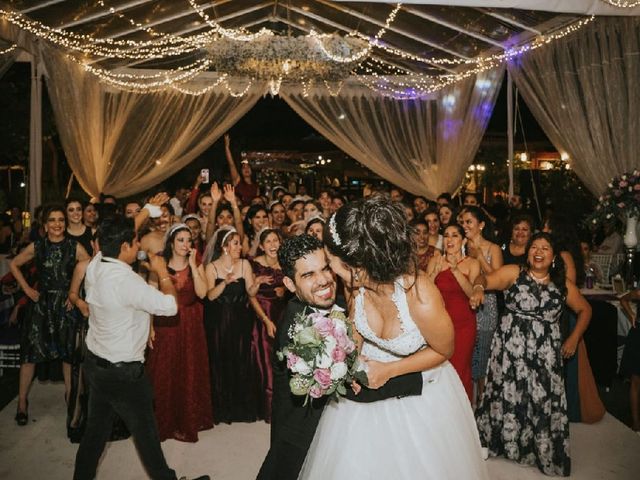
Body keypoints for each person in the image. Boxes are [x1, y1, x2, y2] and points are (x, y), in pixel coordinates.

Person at [299, 197, 488, 479]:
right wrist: (346, 357)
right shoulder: (355, 285)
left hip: (422, 390)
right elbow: (357, 328)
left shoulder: (420, 294)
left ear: (357, 264)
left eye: (331, 261)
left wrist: (389, 370)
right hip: (369, 380)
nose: (329, 270)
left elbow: (445, 350)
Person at [257, 234, 423, 480]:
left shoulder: (341, 302)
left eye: (324, 269)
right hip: (303, 436)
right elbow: (350, 385)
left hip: (335, 426)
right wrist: (415, 377)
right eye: (308, 275)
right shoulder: (298, 331)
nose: (323, 279)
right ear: (290, 285)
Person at [72, 215, 209, 480]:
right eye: (135, 242)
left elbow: (112, 238)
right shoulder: (128, 282)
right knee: (147, 435)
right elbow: (170, 307)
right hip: (124, 375)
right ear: (124, 247)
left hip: (97, 367)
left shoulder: (96, 265)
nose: (139, 246)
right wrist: (161, 272)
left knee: (95, 434)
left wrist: (145, 211)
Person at [470, 232, 592, 476]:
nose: (538, 251)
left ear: (554, 256)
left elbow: (585, 310)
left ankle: (539, 450)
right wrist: (478, 289)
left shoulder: (562, 284)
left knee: (540, 399)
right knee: (505, 392)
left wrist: (574, 338)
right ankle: (501, 443)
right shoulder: (514, 273)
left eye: (545, 248)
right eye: (534, 247)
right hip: (509, 350)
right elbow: (484, 278)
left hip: (544, 353)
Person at [10, 205, 90, 426]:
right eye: (52, 220)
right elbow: (14, 263)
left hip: (65, 307)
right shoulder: (38, 246)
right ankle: (22, 402)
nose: (57, 224)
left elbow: (92, 269)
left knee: (67, 355)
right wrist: (27, 289)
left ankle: (70, 398)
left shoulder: (75, 247)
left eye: (61, 220)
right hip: (41, 306)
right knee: (30, 355)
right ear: (45, 225)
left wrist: (75, 293)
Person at [146, 223, 213, 442]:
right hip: (165, 323)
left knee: (189, 369)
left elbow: (203, 293)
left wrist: (193, 266)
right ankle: (164, 421)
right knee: (165, 369)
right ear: (171, 243)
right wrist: (148, 328)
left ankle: (187, 419)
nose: (185, 244)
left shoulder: (197, 264)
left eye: (188, 240)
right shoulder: (160, 264)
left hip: (191, 324)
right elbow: (150, 298)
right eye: (181, 240)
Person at [203, 226, 263, 423]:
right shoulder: (211, 267)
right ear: (225, 246)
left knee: (241, 360)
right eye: (236, 243)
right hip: (219, 321)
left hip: (241, 320)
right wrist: (225, 283)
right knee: (222, 361)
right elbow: (209, 296)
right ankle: (223, 409)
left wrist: (257, 283)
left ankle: (242, 409)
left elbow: (250, 292)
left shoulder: (245, 264)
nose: (240, 247)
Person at [428, 224, 480, 400]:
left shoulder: (472, 263)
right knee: (438, 369)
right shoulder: (435, 260)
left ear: (463, 240)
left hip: (464, 324)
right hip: (439, 324)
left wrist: (455, 270)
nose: (450, 240)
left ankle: (462, 413)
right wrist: (435, 273)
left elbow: (472, 294)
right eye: (447, 236)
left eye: (455, 236)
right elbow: (425, 292)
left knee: (459, 369)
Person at [461, 206, 503, 404]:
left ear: (481, 225)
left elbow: (499, 278)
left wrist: (479, 256)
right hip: (463, 304)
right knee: (466, 354)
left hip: (487, 305)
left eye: (469, 222)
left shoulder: (492, 248)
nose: (465, 226)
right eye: (463, 222)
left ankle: (484, 402)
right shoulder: (459, 245)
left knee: (483, 353)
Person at [249, 229, 287, 423]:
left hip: (283, 315)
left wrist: (286, 289)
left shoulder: (287, 263)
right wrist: (265, 320)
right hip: (263, 317)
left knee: (285, 362)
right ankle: (269, 410)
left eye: (276, 240)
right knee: (266, 363)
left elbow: (297, 288)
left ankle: (284, 407)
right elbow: (250, 295)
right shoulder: (255, 264)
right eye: (268, 241)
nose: (273, 244)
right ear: (262, 246)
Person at [619, 289, 640, 434]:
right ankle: (636, 423)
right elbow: (623, 299)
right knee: (635, 380)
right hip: (638, 336)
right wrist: (631, 316)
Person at [225, 134, 259, 205]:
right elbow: (231, 165)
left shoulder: (256, 186)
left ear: (252, 170)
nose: (246, 169)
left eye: (248, 167)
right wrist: (227, 147)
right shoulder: (237, 180)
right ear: (240, 171)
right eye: (243, 168)